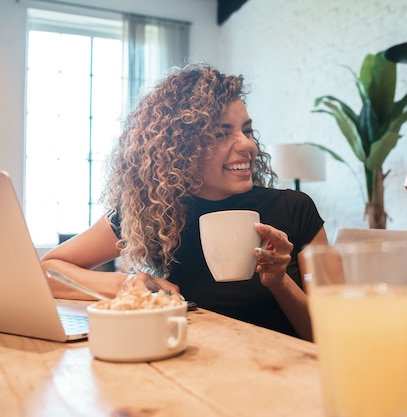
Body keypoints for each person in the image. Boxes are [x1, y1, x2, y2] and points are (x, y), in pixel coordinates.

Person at [41, 63, 328, 341]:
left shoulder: (296, 210)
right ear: (180, 149)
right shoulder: (151, 213)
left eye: (247, 130)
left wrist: (280, 282)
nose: (247, 145)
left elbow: (331, 334)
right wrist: (127, 284)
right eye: (220, 133)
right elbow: (49, 269)